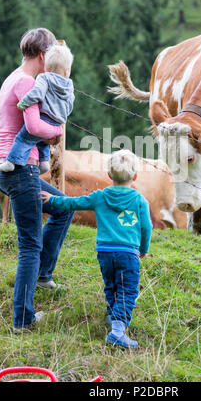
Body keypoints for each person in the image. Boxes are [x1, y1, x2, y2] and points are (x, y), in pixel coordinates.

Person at [0, 28, 75, 332]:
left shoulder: (13, 77)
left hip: (3, 167)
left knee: (63, 208)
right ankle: (23, 319)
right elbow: (35, 126)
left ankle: (43, 274)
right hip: (19, 169)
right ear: (42, 56)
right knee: (29, 244)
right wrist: (57, 131)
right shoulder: (28, 82)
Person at [39, 149, 153, 348]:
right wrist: (143, 248)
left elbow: (73, 203)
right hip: (128, 253)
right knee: (128, 290)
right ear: (135, 176)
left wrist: (53, 199)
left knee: (111, 285)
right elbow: (146, 227)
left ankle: (112, 315)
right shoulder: (139, 200)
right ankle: (117, 331)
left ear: (108, 175)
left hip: (105, 252)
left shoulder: (99, 197)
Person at [0, 44, 75, 174]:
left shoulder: (44, 77)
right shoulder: (69, 85)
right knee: (41, 142)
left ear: (47, 67)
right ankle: (44, 162)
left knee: (23, 138)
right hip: (57, 120)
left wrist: (24, 102)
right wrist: (62, 117)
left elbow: (37, 93)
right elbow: (70, 103)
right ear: (67, 71)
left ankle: (10, 161)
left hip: (44, 117)